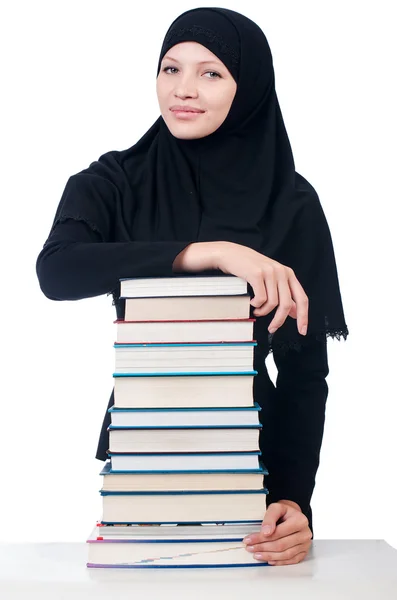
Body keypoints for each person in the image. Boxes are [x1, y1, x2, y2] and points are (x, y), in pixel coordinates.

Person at [36, 7, 349, 566]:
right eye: (169, 68)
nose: (183, 90)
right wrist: (208, 253)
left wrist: (293, 499)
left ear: (246, 86)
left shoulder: (292, 204)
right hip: (145, 447)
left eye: (211, 73)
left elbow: (305, 374)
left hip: (253, 458)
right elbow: (57, 271)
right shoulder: (112, 182)